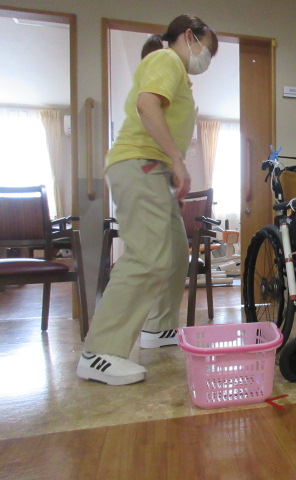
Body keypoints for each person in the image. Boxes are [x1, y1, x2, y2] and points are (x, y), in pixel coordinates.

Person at [77, 15, 218, 386]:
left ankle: (158, 329)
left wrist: (172, 165)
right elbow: (147, 105)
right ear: (188, 36)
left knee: (172, 251)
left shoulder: (178, 74)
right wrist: (176, 160)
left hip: (151, 168)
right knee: (147, 254)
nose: (208, 59)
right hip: (139, 163)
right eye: (207, 48)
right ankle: (100, 352)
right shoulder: (165, 59)